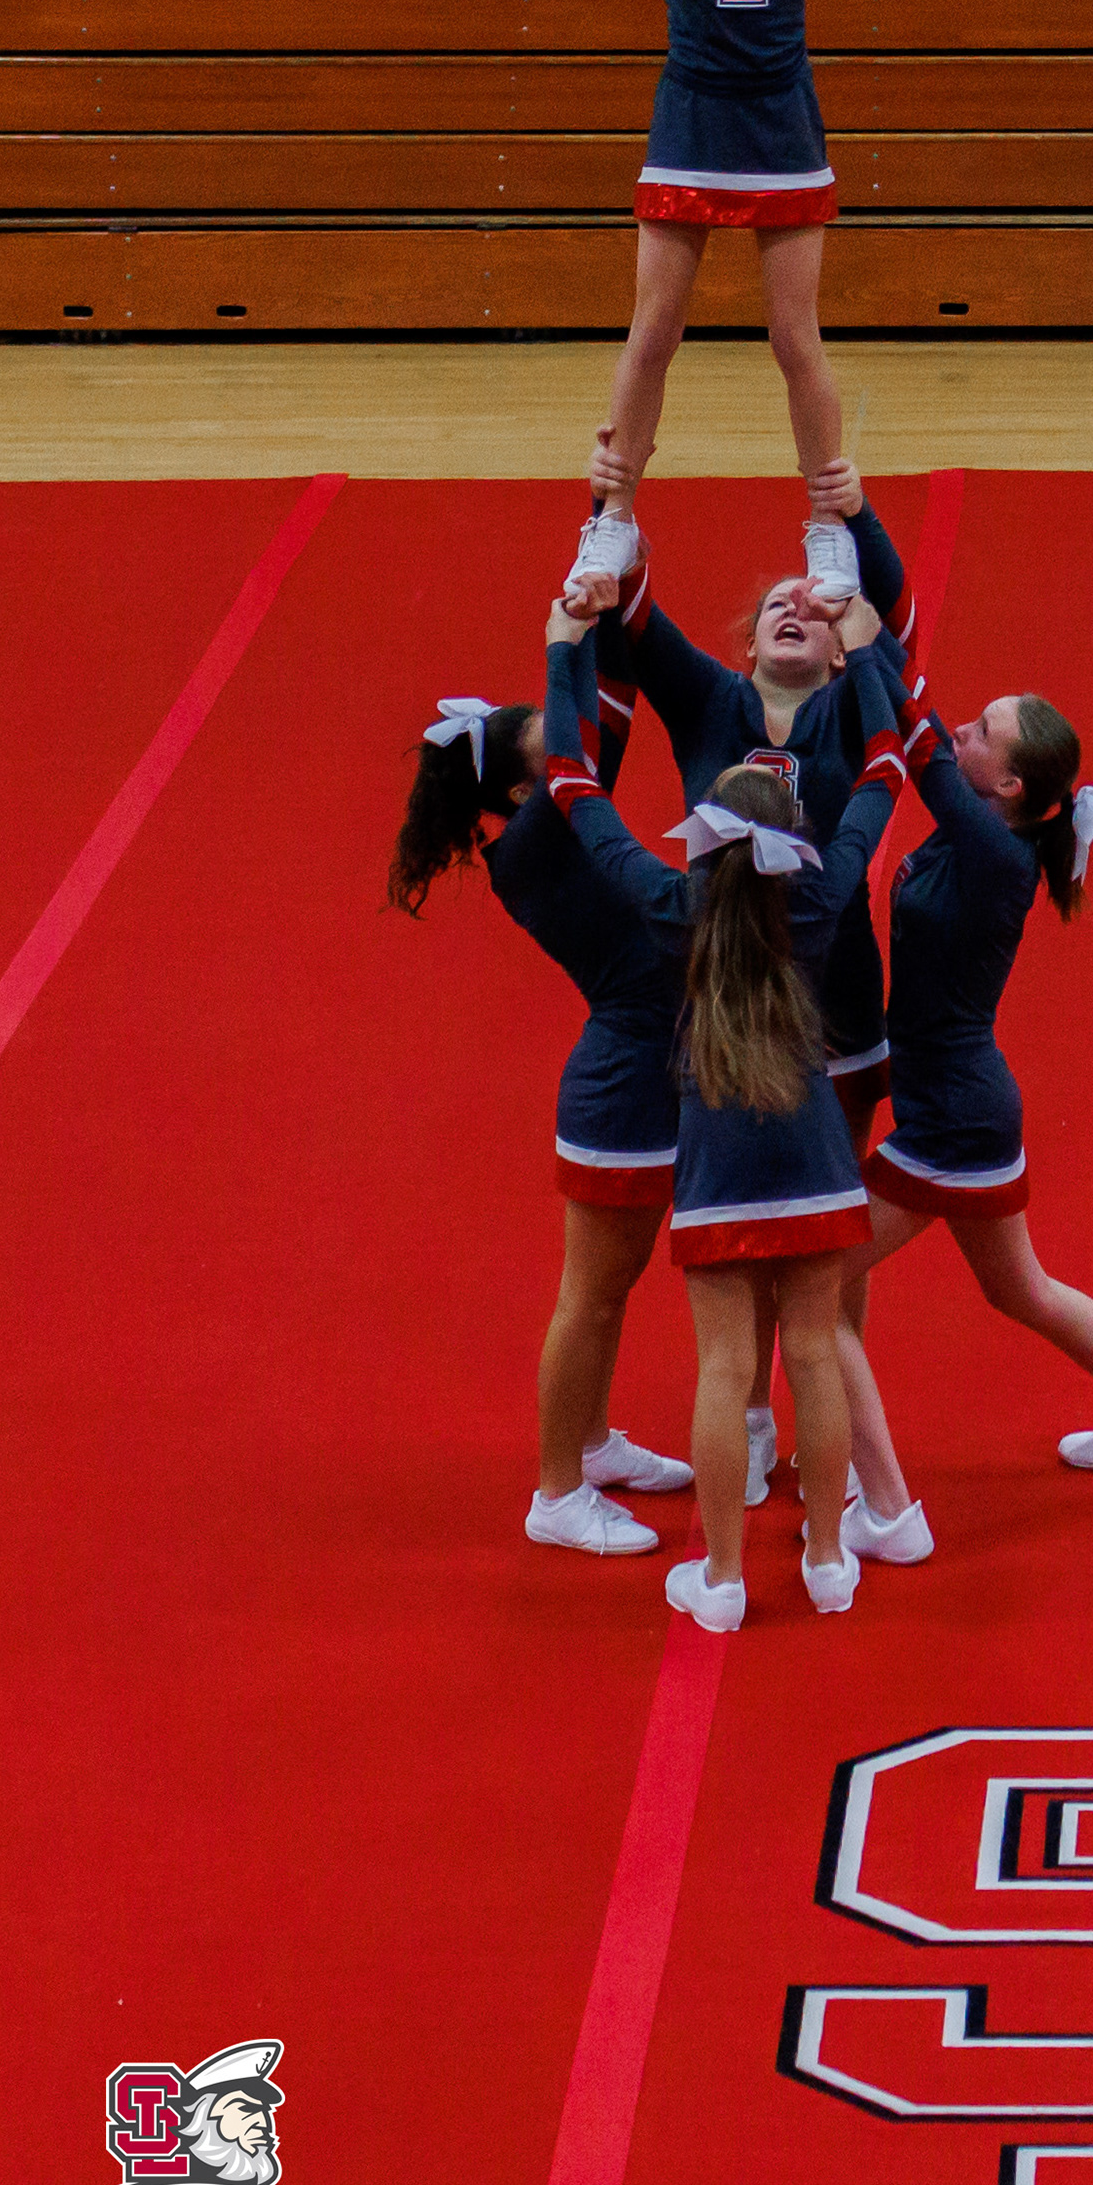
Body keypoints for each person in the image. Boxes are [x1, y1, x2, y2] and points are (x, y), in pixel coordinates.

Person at [478, 0, 981, 606]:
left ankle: (829, 526)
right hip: (691, 124)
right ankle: (611, 520)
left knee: (795, 338)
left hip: (782, 128)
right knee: (652, 332)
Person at [540, 594, 909, 1631]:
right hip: (816, 1152)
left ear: (704, 838)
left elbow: (573, 788)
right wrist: (870, 659)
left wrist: (564, 653)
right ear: (798, 838)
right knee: (814, 1349)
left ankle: (725, 1577)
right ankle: (829, 1559)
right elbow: (884, 770)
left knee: (725, 1364)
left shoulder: (676, 905)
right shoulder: (824, 895)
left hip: (719, 1159)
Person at [592, 450, 915, 1498]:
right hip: (725, 1012)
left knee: (828, 1229)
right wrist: (611, 492)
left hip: (838, 1007)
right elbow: (627, 595)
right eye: (777, 601)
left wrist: (854, 519)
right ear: (747, 639)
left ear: (836, 646)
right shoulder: (707, 699)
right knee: (743, 1224)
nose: (794, 606)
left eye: (814, 606)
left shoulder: (850, 706)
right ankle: (755, 1415)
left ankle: (839, 1428)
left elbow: (892, 622)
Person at [836, 678, 1093, 1560]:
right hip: (958, 1105)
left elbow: (921, 747)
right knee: (1020, 1289)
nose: (962, 729)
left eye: (983, 729)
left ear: (1007, 785)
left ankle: (884, 1508)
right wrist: (868, 612)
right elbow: (927, 725)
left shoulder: (993, 853)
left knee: (809, 1283)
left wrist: (863, 639)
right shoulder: (985, 828)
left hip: (951, 1122)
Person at [387, 580, 694, 1556]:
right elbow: (594, 726)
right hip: (623, 1084)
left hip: (650, 1067)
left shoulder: (544, 819)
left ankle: (592, 1443)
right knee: (591, 1292)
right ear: (525, 790)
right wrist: (569, 635)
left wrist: (608, 587)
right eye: (546, 746)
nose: (563, 748)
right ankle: (557, 1491)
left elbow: (601, 713)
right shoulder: (539, 838)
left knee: (617, 1282)